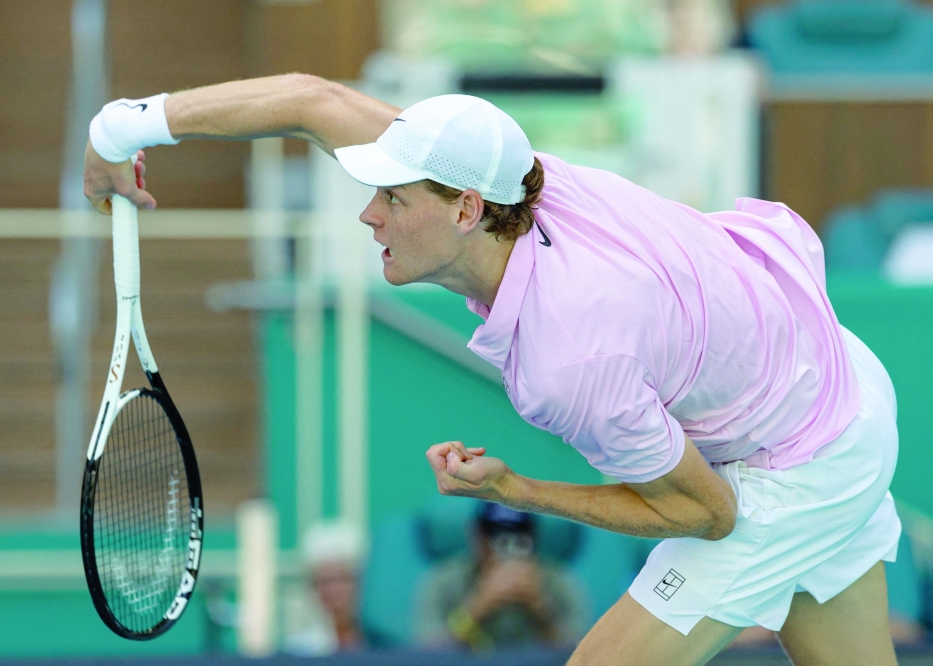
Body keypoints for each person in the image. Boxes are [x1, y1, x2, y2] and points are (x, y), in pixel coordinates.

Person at [83, 75, 902, 665]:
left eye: (393, 200)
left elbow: (709, 513)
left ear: (467, 210)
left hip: (797, 460)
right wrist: (120, 130)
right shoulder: (516, 178)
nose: (369, 214)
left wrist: (516, 492)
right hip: (830, 374)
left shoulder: (570, 360)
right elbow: (314, 100)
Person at [415, 502, 587, 650]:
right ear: (476, 535)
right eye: (495, 536)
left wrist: (542, 610)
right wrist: (475, 610)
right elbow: (428, 656)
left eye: (518, 537)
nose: (506, 548)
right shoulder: (443, 582)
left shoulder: (560, 581)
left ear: (534, 536)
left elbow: (584, 655)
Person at [283, 520, 372, 655]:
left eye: (342, 579)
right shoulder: (301, 651)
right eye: (324, 582)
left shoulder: (383, 645)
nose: (333, 590)